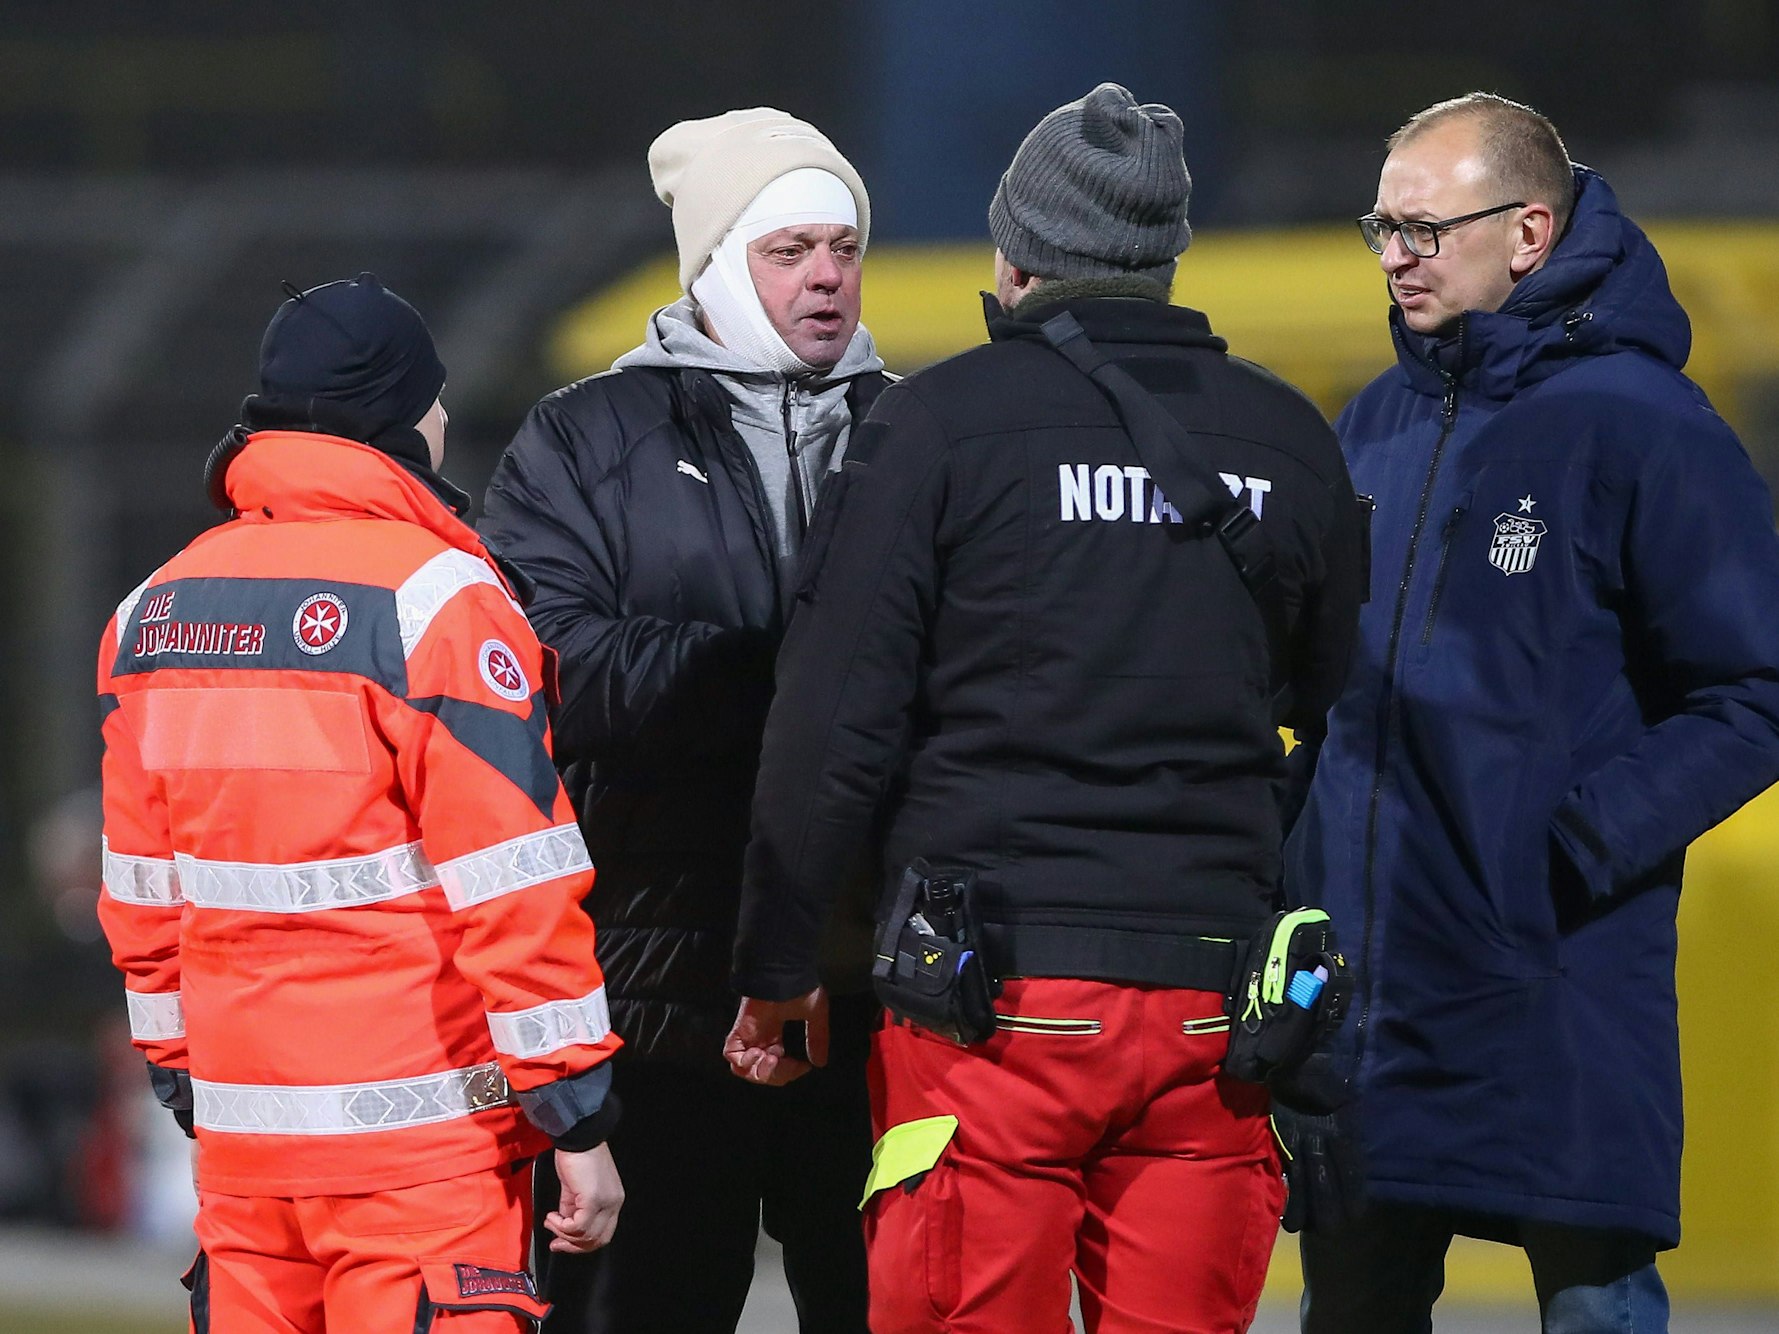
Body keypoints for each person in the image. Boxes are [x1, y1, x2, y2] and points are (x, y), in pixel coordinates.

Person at [725, 83, 1366, 1334]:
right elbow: (1329, 696)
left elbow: (834, 720)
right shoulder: (1291, 439)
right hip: (1213, 1010)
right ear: (1166, 255)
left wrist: (779, 955)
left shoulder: (937, 426)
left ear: (1013, 254)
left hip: (996, 1006)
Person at [1282, 92, 1779, 1333]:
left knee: (1599, 1302)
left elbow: (1758, 689)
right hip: (1372, 994)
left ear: (1530, 229)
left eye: (1422, 228)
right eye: (1380, 228)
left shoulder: (1647, 426)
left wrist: (1577, 842)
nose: (1394, 256)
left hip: (1551, 979)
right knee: (1352, 1302)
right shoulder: (1371, 421)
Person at [96, 273, 625, 1332]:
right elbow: (513, 881)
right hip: (426, 1153)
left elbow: (143, 900)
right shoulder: (438, 601)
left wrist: (183, 1082)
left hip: (248, 1154)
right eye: (430, 398)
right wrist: (574, 1110)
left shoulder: (151, 613)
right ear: (397, 413)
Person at [479, 109, 888, 1333]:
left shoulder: (921, 431)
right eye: (788, 249)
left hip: (873, 996)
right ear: (715, 264)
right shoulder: (583, 439)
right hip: (660, 998)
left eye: (843, 244)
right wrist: (782, 677)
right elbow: (550, 672)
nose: (825, 274)